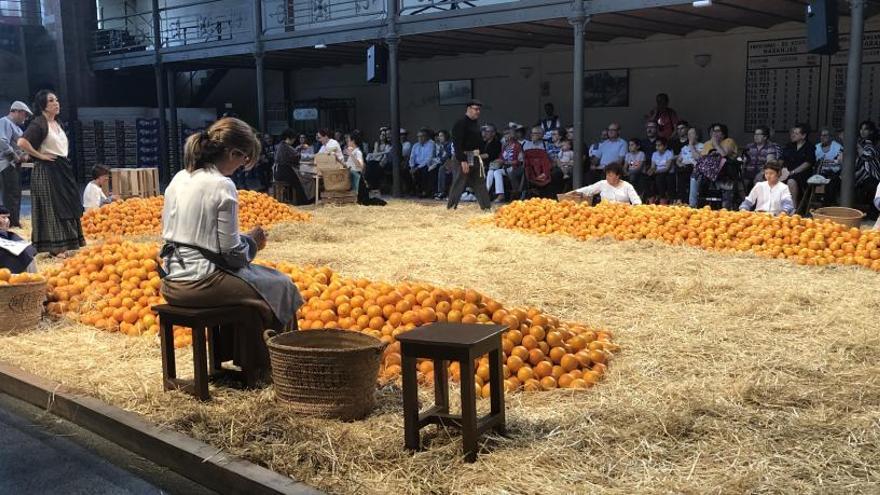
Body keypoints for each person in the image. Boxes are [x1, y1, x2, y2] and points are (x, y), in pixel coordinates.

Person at [160, 117, 303, 374]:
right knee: (281, 285)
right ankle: (280, 368)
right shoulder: (222, 185)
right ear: (233, 152)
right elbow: (232, 255)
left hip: (172, 279)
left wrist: (243, 242)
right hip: (200, 282)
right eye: (243, 160)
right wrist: (253, 242)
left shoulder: (180, 178)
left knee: (261, 285)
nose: (240, 167)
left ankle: (249, 360)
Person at [17, 90, 84, 256]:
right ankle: (55, 247)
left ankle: (68, 243)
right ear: (43, 105)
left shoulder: (57, 123)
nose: (56, 103)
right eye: (51, 101)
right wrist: (40, 156)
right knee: (52, 206)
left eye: (57, 100)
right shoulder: (39, 123)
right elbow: (22, 142)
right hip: (46, 170)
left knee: (67, 203)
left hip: (61, 167)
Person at [448, 100, 492, 211]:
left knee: (479, 181)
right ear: (469, 109)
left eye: (479, 109)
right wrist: (462, 160)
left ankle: (486, 207)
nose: (478, 112)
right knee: (459, 181)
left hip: (475, 156)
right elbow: (457, 143)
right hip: (463, 156)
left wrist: (482, 153)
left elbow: (477, 141)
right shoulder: (460, 123)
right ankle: (451, 207)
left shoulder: (476, 124)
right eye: (476, 109)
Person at [690, 123, 739, 210]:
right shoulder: (707, 144)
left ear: (723, 134)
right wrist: (691, 145)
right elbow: (699, 158)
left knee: (699, 173)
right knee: (695, 174)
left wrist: (716, 144)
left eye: (717, 131)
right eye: (713, 131)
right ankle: (693, 205)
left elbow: (724, 154)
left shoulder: (729, 141)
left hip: (724, 172)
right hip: (707, 172)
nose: (714, 133)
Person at [0, 101, 31, 227]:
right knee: (11, 195)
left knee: (15, 193)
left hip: (13, 164)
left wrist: (23, 155)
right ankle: (12, 223)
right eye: (25, 114)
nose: (26, 118)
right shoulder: (4, 122)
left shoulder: (16, 127)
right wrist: (15, 156)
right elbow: (2, 141)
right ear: (17, 111)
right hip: (7, 164)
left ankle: (14, 221)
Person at [562, 162, 641, 205]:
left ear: (618, 176)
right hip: (604, 214)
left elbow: (636, 201)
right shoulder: (603, 184)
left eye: (610, 175)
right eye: (607, 175)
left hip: (622, 215)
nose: (607, 177)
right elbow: (588, 190)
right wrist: (571, 193)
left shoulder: (627, 186)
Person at [781, 123, 816, 209]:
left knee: (791, 180)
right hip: (787, 172)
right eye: (792, 133)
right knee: (773, 177)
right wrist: (783, 170)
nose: (792, 135)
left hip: (802, 174)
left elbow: (808, 163)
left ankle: (793, 208)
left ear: (803, 135)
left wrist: (793, 172)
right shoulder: (789, 146)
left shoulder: (809, 147)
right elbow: (782, 159)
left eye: (796, 133)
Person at [523, 126, 562, 198]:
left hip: (544, 168)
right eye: (532, 133)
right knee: (518, 172)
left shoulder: (547, 145)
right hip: (530, 168)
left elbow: (552, 159)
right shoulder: (526, 145)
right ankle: (523, 193)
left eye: (535, 133)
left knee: (555, 173)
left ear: (542, 135)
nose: (532, 135)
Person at [743, 126, 782, 196]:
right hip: (748, 171)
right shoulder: (749, 146)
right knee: (740, 182)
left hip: (761, 171)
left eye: (758, 134)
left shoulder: (770, 147)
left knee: (759, 180)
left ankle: (758, 204)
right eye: (755, 134)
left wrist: (762, 173)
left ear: (765, 137)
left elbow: (770, 162)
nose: (756, 136)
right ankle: (744, 203)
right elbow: (743, 160)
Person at [273, 128, 308, 205]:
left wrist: (298, 149)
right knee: (300, 182)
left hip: (278, 171)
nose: (294, 141)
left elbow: (292, 154)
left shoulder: (281, 145)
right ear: (289, 138)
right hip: (284, 171)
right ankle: (302, 202)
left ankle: (292, 199)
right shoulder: (285, 146)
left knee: (298, 179)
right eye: (293, 139)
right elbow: (296, 156)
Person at [0, 206, 37, 274]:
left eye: (8, 217)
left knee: (26, 252)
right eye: (4, 217)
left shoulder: (11, 235)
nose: (7, 221)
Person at [815, 126, 843, 206]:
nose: (822, 137)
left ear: (831, 137)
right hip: (819, 173)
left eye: (825, 135)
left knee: (832, 182)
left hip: (834, 174)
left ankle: (827, 205)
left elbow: (841, 163)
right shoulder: (816, 147)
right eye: (821, 135)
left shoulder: (838, 147)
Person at [855, 120, 880, 211]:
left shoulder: (872, 144)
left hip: (872, 177)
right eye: (861, 129)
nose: (862, 131)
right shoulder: (860, 142)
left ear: (871, 131)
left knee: (871, 186)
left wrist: (856, 144)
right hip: (858, 176)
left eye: (865, 129)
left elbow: (867, 156)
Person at [675, 127, 702, 205]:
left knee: (685, 171)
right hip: (684, 168)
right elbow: (678, 160)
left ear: (697, 136)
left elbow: (698, 158)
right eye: (688, 134)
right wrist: (680, 164)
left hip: (695, 169)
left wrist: (691, 145)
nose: (689, 135)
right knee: (680, 171)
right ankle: (681, 199)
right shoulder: (684, 148)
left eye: (691, 133)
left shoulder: (702, 146)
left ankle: (684, 200)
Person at [408, 128, 437, 198]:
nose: (420, 138)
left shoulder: (431, 144)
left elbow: (429, 159)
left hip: (427, 164)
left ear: (427, 137)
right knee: (405, 170)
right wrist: (412, 167)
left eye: (422, 136)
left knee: (424, 171)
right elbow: (412, 157)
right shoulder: (416, 145)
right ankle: (412, 190)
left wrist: (417, 168)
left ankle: (425, 191)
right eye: (418, 136)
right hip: (416, 165)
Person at [500, 125, 524, 201]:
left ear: (512, 135)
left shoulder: (518, 145)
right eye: (504, 134)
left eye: (507, 134)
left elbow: (520, 161)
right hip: (505, 167)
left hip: (516, 167)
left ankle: (516, 192)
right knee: (494, 172)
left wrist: (507, 162)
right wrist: (498, 162)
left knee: (511, 171)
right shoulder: (505, 146)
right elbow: (501, 157)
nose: (505, 136)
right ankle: (499, 194)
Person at [651, 138, 675, 205]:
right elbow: (653, 166)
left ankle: (663, 198)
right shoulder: (654, 154)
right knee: (646, 178)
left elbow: (667, 168)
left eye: (659, 145)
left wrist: (656, 171)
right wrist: (650, 171)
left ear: (665, 146)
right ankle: (652, 197)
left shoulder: (669, 153)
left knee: (659, 178)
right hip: (657, 172)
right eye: (656, 145)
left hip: (668, 173)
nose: (657, 147)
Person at [434, 129, 453, 200]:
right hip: (446, 164)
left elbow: (447, 157)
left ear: (446, 136)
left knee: (442, 168)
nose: (439, 138)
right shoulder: (442, 146)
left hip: (453, 164)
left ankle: (442, 192)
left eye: (441, 136)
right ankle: (439, 191)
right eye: (439, 136)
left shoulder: (449, 144)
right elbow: (439, 157)